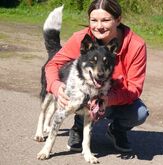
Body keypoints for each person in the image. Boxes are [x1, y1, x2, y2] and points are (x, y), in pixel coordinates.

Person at [45, 0, 149, 152]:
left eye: (106, 20)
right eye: (94, 20)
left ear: (118, 19)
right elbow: (52, 64)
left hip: (113, 97)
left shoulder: (136, 45)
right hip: (85, 94)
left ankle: (116, 130)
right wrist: (56, 86)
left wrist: (108, 99)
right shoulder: (81, 38)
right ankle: (79, 127)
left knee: (139, 114)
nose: (99, 26)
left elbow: (134, 88)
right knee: (79, 98)